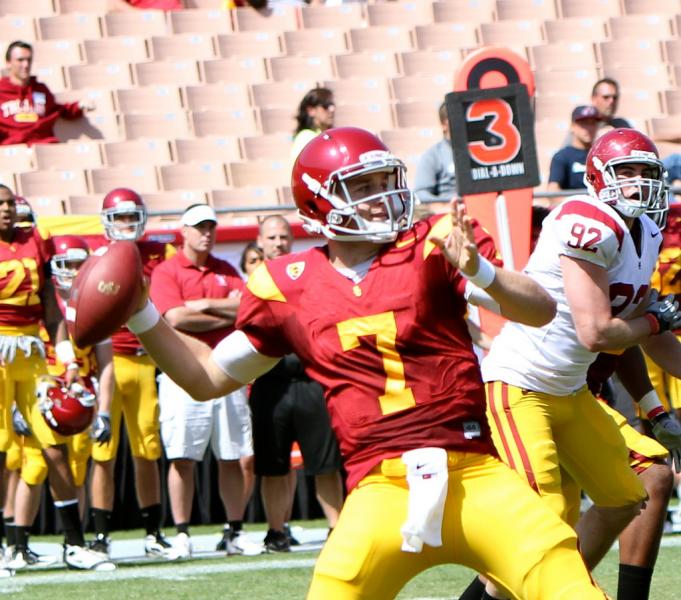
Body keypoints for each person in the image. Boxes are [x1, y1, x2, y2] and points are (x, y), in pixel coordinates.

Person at [125, 126, 609, 598]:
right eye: (361, 187)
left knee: (568, 587)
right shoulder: (286, 284)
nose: (381, 197)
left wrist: (482, 270)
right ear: (317, 203)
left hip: (475, 475)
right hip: (379, 489)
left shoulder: (434, 240)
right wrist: (141, 315)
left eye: (383, 182)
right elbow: (206, 378)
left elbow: (540, 309)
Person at [479, 128, 681, 598]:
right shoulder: (586, 219)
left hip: (571, 392)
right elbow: (599, 332)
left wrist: (656, 402)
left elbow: (640, 332)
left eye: (645, 171)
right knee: (544, 517)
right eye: (624, 171)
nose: (636, 182)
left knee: (629, 493)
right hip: (520, 386)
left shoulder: (647, 232)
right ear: (597, 177)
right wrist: (653, 321)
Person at [0, 185, 110, 570]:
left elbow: (50, 307)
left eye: (9, 203)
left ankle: (74, 544)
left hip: (31, 353)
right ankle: (6, 545)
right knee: (1, 450)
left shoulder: (36, 241)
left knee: (53, 446)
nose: (5, 210)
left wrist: (67, 359)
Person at [150, 204, 262, 558]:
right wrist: (216, 310)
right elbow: (175, 317)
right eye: (199, 227)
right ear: (183, 231)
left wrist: (199, 306)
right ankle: (182, 533)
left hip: (227, 370)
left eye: (211, 227)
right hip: (182, 370)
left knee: (232, 455)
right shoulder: (166, 271)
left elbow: (245, 309)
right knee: (182, 456)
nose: (207, 233)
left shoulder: (226, 269)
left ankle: (234, 530)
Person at [88, 188, 175, 559]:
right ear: (108, 220)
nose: (126, 224)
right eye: (119, 217)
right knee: (103, 452)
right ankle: (101, 535)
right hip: (109, 361)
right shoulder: (97, 257)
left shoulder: (159, 254)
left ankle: (153, 532)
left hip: (144, 359)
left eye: (130, 216)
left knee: (147, 451)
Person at [251, 214, 344, 552]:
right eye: (272, 237)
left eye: (283, 237)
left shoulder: (308, 274)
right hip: (268, 381)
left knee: (326, 463)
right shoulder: (252, 280)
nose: (278, 243)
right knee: (272, 466)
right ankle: (276, 532)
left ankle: (338, 529)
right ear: (260, 242)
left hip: (310, 378)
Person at [0, 41, 93, 146]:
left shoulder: (40, 90)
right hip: (13, 149)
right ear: (8, 63)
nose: (26, 65)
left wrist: (79, 107)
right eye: (20, 60)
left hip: (43, 145)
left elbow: (58, 110)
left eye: (29, 60)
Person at [547, 105, 602, 193]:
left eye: (593, 123)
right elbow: (552, 192)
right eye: (584, 123)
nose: (589, 128)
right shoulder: (562, 156)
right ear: (573, 126)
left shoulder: (601, 155)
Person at [413, 101, 457, 204]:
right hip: (449, 211)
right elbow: (421, 194)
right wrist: (452, 201)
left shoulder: (479, 151)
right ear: (443, 124)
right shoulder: (433, 156)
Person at [289, 87, 335, 168]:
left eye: (332, 105)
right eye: (325, 106)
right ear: (311, 110)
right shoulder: (305, 137)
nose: (332, 109)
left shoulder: (326, 135)